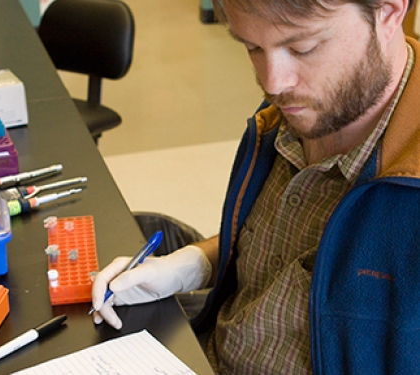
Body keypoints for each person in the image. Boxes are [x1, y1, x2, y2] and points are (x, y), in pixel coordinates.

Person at [91, 0, 420, 373]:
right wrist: (189, 266)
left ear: (389, 13)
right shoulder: (289, 120)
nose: (272, 83)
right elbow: (277, 246)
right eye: (252, 47)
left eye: (303, 48)